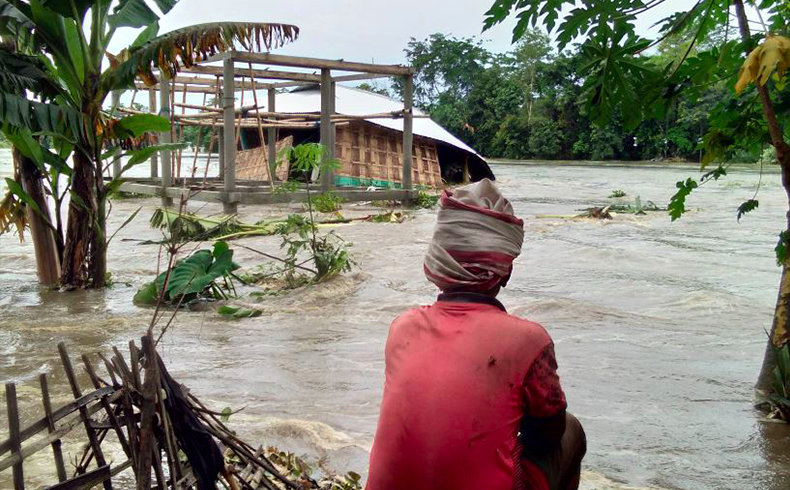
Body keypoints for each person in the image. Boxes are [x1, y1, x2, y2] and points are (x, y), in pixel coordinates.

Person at [366, 179, 586, 490]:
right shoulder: (529, 340)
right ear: (505, 272)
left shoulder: (402, 326)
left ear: (437, 262)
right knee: (572, 431)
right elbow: (548, 435)